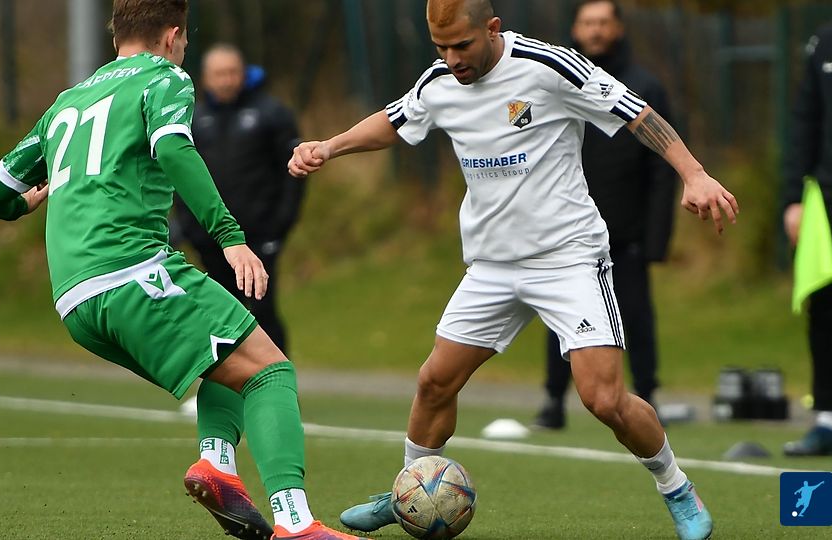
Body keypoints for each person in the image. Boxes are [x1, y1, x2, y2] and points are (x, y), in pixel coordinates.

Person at [289, 1, 738, 538]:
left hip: (568, 258)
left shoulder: (549, 66)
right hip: (492, 266)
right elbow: (394, 121)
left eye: (462, 45)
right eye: (441, 48)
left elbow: (637, 113)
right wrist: (330, 146)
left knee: (603, 399)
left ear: (492, 28)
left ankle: (677, 488)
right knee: (435, 382)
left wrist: (695, 174)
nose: (452, 59)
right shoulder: (439, 81)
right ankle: (410, 490)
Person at [0, 1, 366, 539]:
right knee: (271, 370)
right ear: (172, 35)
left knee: (229, 357)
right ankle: (296, 524)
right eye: (184, 42)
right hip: (130, 271)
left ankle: (218, 467)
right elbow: (176, 151)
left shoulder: (69, 99)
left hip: (74, 299)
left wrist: (26, 203)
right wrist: (231, 237)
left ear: (117, 33)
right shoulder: (163, 78)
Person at [533, 0, 676, 430]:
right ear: (575, 29)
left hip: (625, 233)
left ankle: (647, 396)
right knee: (562, 318)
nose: (595, 30)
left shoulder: (644, 87)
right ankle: (553, 400)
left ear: (618, 28)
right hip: (566, 234)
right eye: (587, 22)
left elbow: (661, 167)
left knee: (636, 316)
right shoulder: (552, 84)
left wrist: (655, 238)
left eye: (603, 22)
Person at [173, 44, 304, 352]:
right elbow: (180, 178)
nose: (226, 80)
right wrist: (191, 228)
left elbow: (293, 172)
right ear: (206, 78)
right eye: (219, 74)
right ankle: (229, 382)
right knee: (219, 316)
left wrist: (280, 225)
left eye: (232, 72)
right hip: (211, 241)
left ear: (243, 74)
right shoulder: (193, 119)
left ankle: (277, 378)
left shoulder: (272, 114)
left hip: (259, 238)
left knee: (261, 312)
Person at [782, 3, 832, 458]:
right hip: (831, 203)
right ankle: (827, 421)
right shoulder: (826, 42)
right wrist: (793, 198)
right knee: (827, 311)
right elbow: (804, 121)